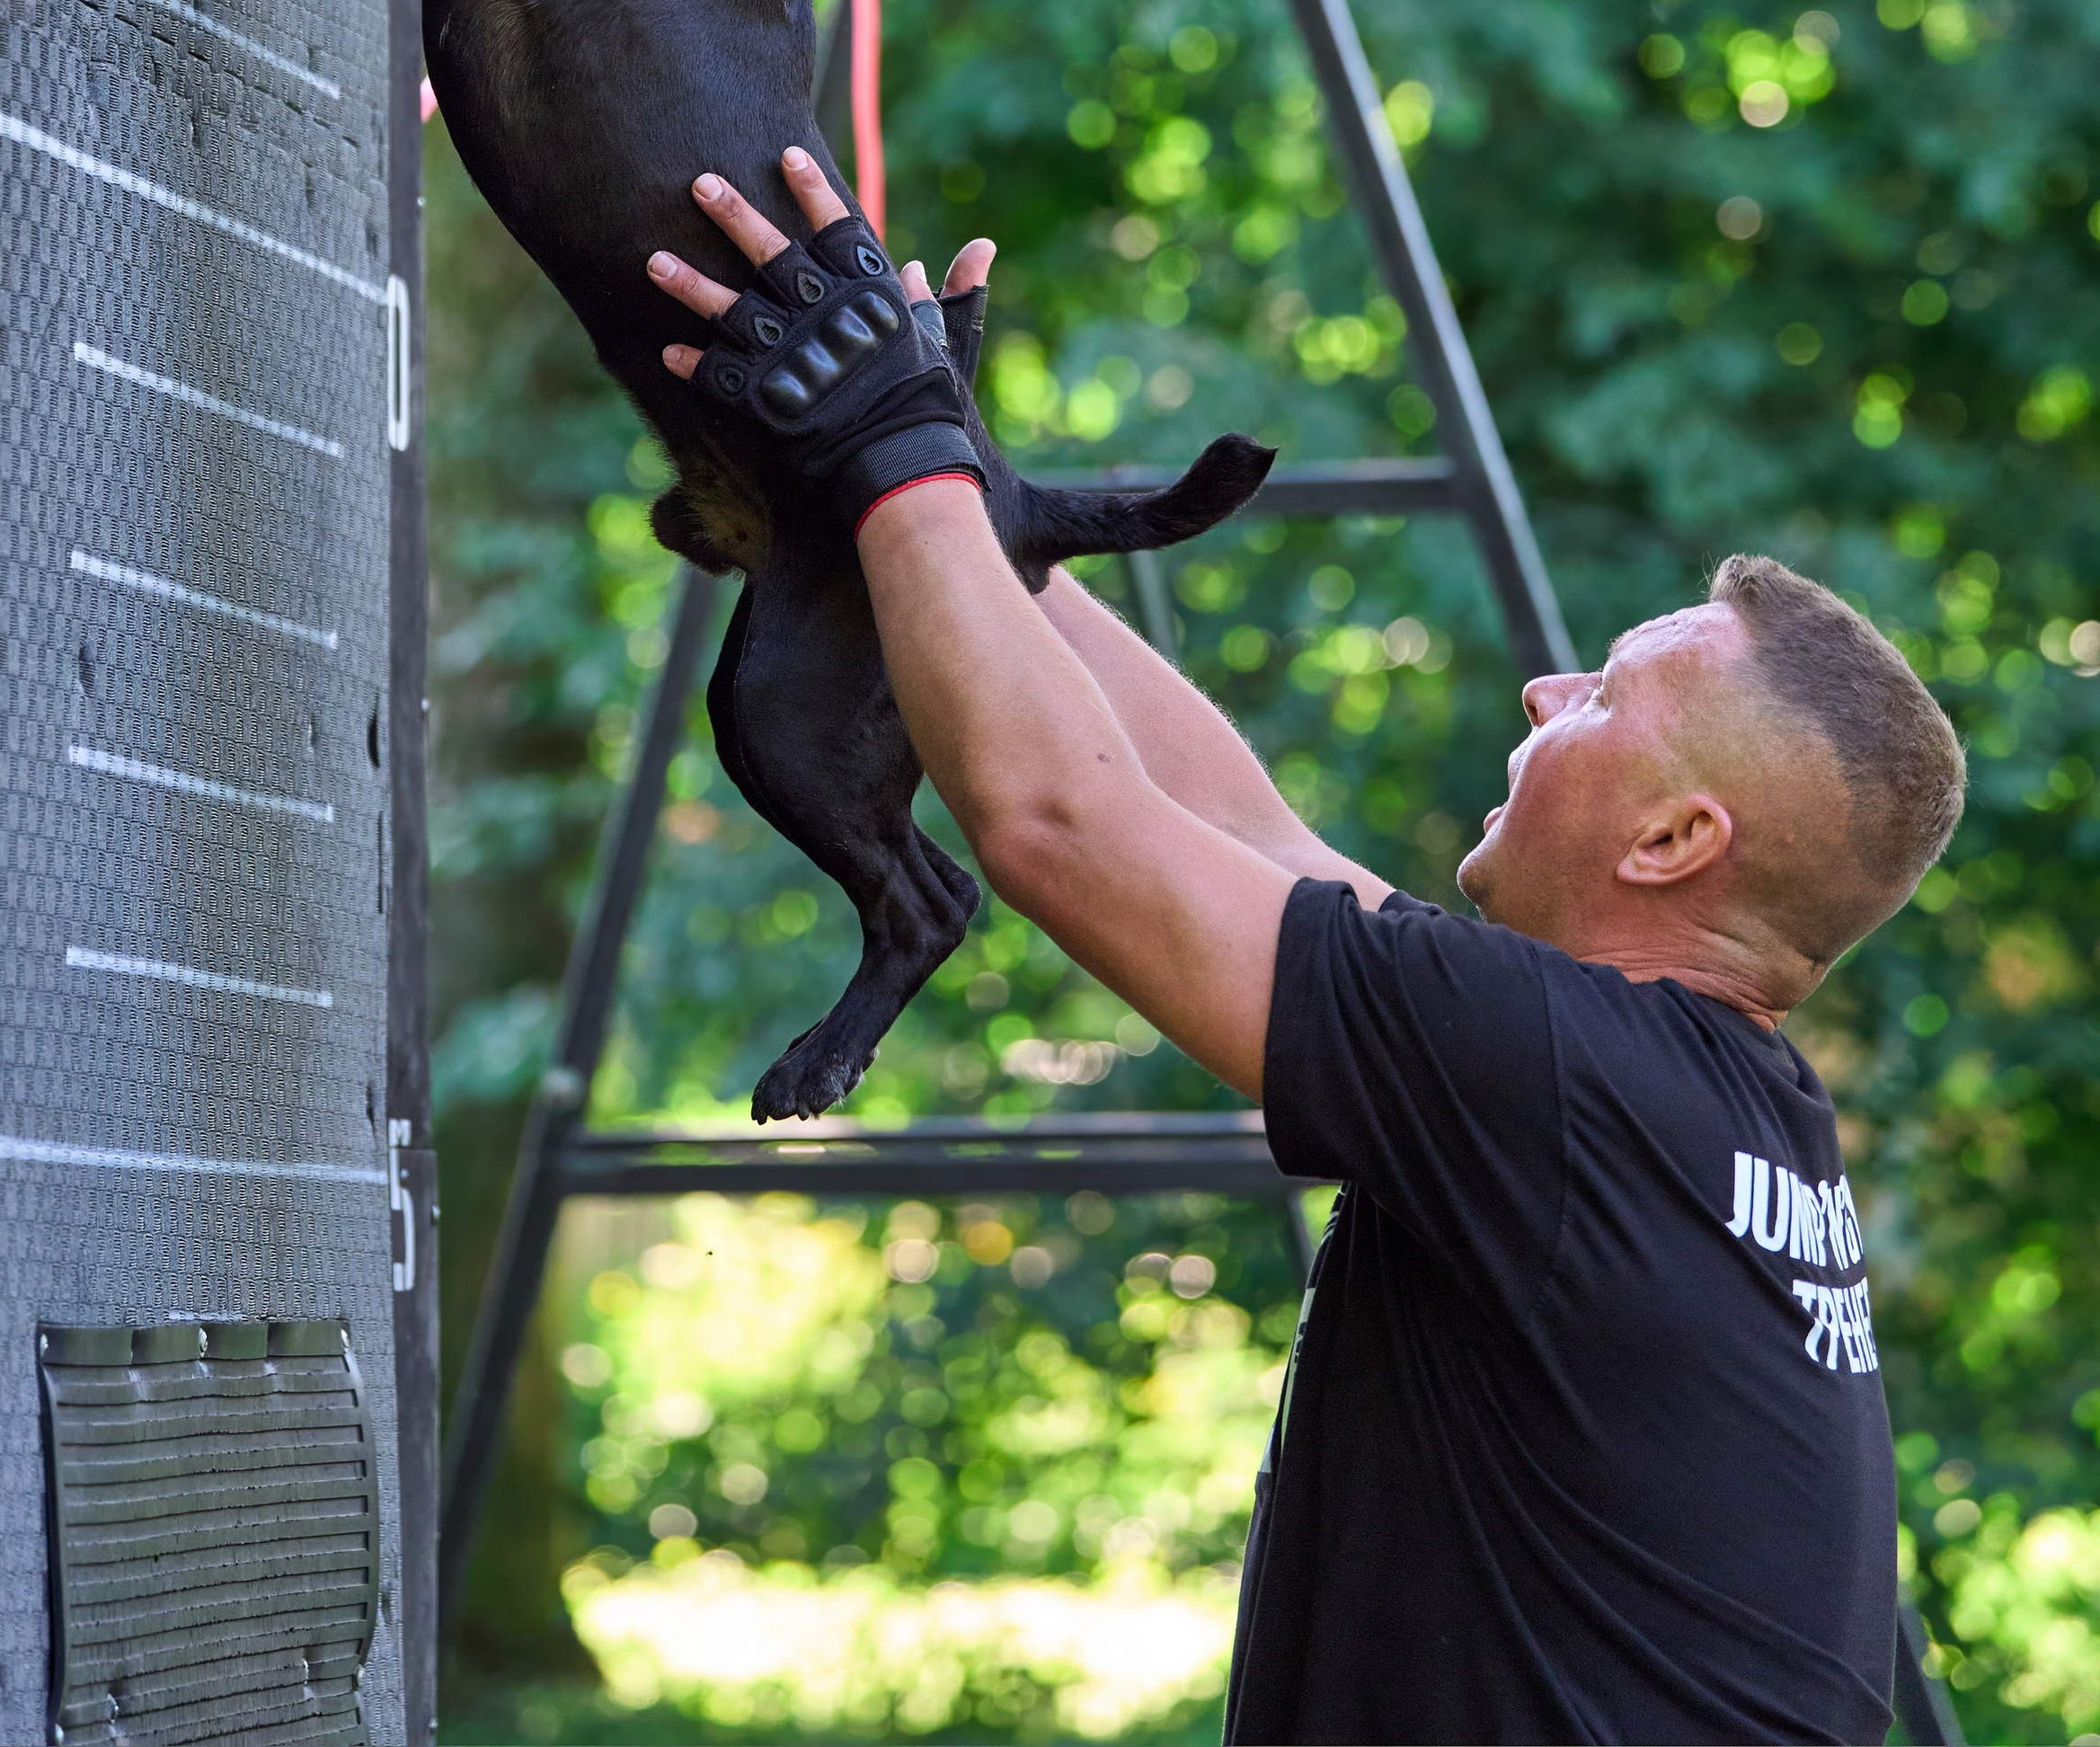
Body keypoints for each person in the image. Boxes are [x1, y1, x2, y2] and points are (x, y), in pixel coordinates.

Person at [645, 148, 1968, 1747]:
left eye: (1607, 697)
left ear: (1674, 844)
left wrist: (888, 438)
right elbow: (1246, 840)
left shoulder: (1562, 1079)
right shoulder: (1686, 1105)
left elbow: (1063, 826)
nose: (1549, 694)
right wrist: (948, 505)